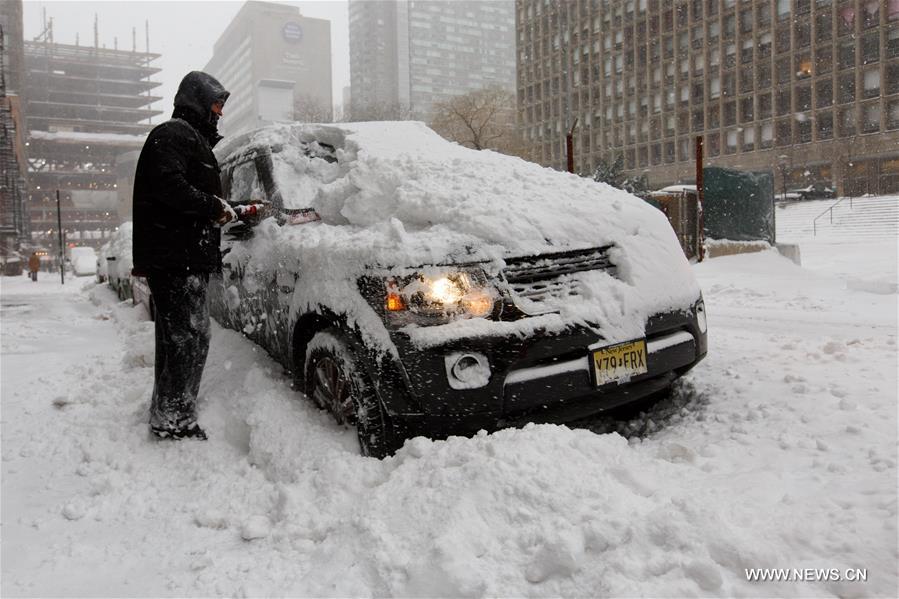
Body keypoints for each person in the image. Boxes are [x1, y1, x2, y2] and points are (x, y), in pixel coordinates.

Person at [132, 71, 237, 440]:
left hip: (180, 255)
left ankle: (168, 411)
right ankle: (174, 420)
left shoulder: (188, 139)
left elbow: (184, 189)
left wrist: (224, 206)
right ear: (196, 99)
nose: (220, 113)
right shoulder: (174, 133)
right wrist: (213, 206)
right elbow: (170, 186)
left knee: (179, 337)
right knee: (189, 338)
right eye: (215, 104)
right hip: (177, 258)